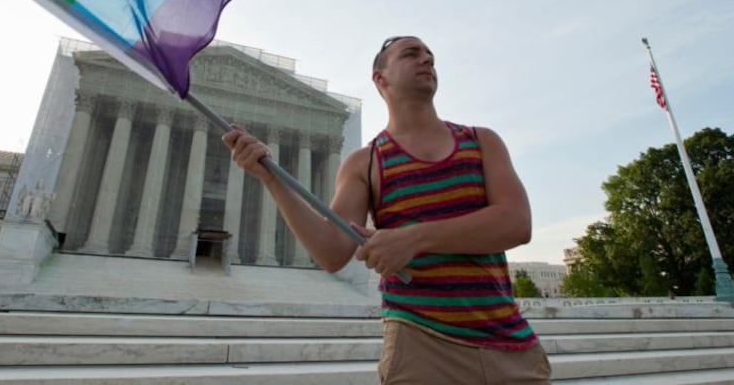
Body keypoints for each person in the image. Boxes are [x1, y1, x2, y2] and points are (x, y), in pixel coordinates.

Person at [223, 36, 551, 384]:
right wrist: (272, 179)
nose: (426, 60)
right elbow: (333, 252)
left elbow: (516, 223)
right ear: (380, 77)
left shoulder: (482, 141)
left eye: (430, 55)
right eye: (412, 54)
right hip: (421, 346)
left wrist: (412, 239)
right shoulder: (365, 163)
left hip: (511, 346)